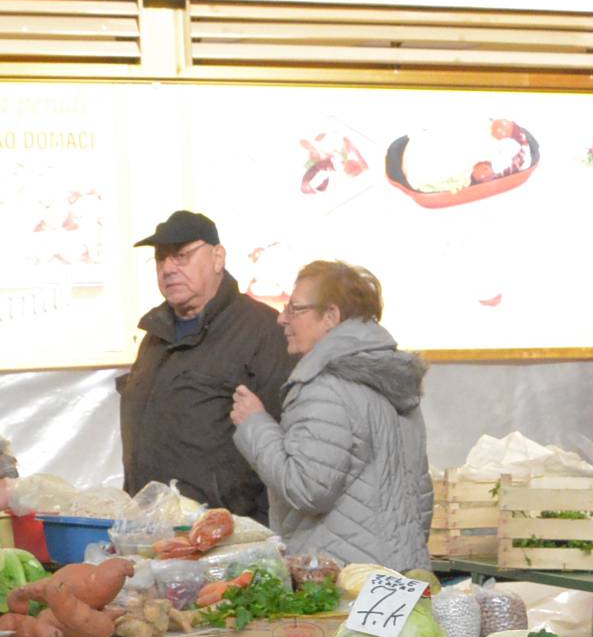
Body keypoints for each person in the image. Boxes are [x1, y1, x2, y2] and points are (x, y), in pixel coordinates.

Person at [229, 261, 432, 571]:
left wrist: (254, 424)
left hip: (344, 583)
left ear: (330, 317)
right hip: (401, 573)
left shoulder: (325, 388)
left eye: (295, 309)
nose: (282, 319)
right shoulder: (389, 379)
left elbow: (307, 489)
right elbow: (421, 496)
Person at [119, 210, 291, 524]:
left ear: (217, 257)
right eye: (161, 259)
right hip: (150, 531)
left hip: (227, 537)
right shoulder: (154, 337)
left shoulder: (263, 331)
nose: (168, 268)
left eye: (181, 256)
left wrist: (265, 535)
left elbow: (286, 439)